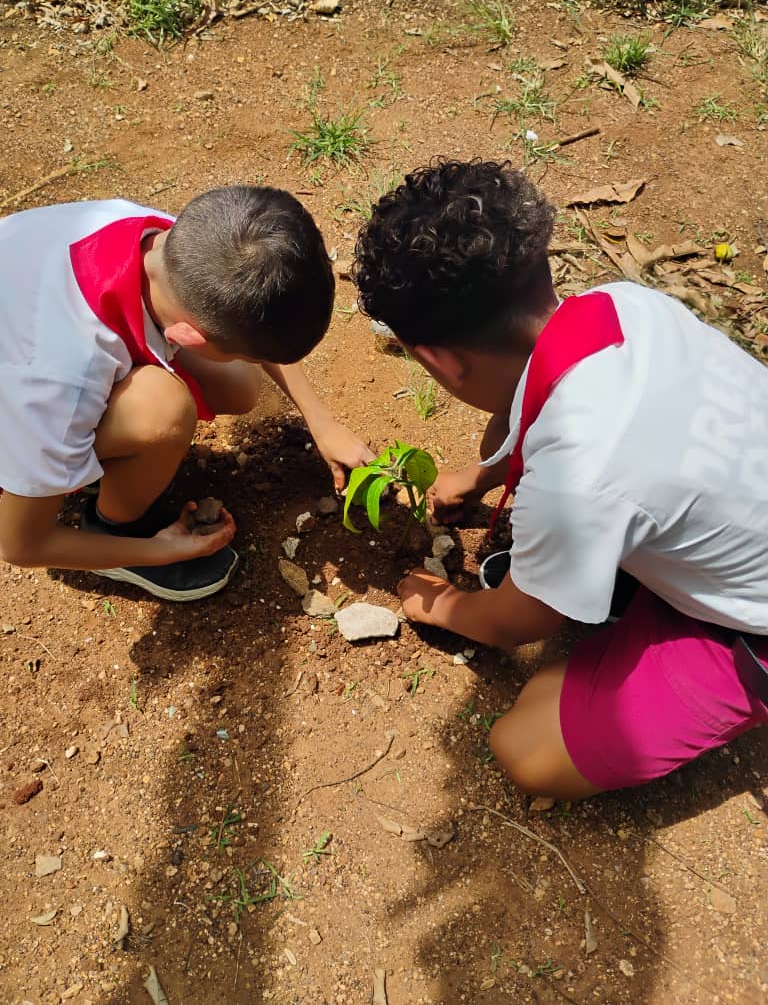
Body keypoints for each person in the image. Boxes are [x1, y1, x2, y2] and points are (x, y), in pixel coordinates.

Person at [354, 158, 768, 799]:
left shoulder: (579, 477)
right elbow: (543, 395)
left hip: (752, 624)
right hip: (733, 502)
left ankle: (674, 628)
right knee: (513, 439)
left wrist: (436, 602)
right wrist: (483, 475)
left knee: (527, 743)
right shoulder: (622, 305)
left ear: (437, 359)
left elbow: (514, 626)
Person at [0, 186, 371, 601]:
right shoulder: (60, 382)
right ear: (187, 337)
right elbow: (20, 545)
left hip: (31, 353)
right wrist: (156, 551)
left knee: (238, 384)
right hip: (26, 396)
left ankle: (79, 462)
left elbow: (254, 327)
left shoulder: (181, 240)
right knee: (164, 410)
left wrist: (322, 422)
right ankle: (114, 527)